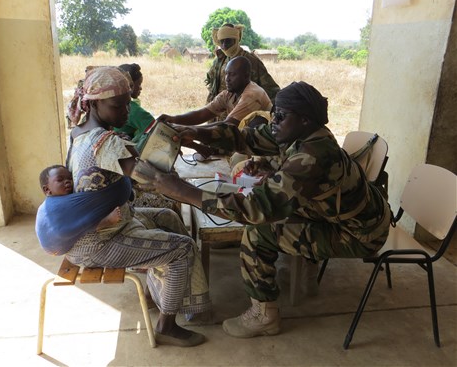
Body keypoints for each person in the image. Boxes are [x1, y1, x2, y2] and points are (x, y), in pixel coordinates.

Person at [133, 81, 392, 339]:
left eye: (280, 116)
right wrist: (193, 132)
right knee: (274, 204)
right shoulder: (303, 133)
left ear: (303, 120)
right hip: (347, 215)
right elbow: (243, 138)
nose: (274, 121)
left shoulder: (313, 156)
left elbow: (255, 209)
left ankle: (264, 316)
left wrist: (183, 191)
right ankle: (306, 265)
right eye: (274, 113)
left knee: (259, 232)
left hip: (360, 233)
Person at [38, 66, 211, 347]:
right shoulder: (105, 143)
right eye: (118, 105)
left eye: (128, 103)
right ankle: (167, 325)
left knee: (167, 216)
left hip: (97, 228)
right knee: (183, 249)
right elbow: (154, 179)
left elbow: (132, 166)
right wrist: (205, 200)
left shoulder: (79, 131)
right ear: (94, 103)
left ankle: (166, 297)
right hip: (97, 242)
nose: (126, 112)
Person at [159, 56, 272, 160]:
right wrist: (174, 119)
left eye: (232, 74)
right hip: (242, 140)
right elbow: (202, 114)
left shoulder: (251, 95)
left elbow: (228, 126)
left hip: (263, 146)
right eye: (226, 74)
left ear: (246, 76)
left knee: (237, 160)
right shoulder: (229, 94)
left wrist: (190, 130)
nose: (227, 79)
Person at [205, 23, 280, 106]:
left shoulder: (251, 60)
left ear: (236, 40)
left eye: (228, 41)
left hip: (243, 111)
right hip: (219, 110)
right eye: (222, 41)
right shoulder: (219, 60)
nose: (224, 45)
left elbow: (271, 89)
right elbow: (210, 81)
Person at [39, 164, 122, 230]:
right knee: (79, 224)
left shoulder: (69, 198)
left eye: (70, 178)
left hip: (55, 245)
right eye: (60, 180)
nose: (67, 181)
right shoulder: (55, 206)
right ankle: (106, 221)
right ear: (47, 189)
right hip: (56, 242)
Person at [113, 63, 155, 151]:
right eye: (138, 84)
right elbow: (156, 127)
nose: (141, 88)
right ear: (129, 85)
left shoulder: (115, 104)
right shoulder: (131, 108)